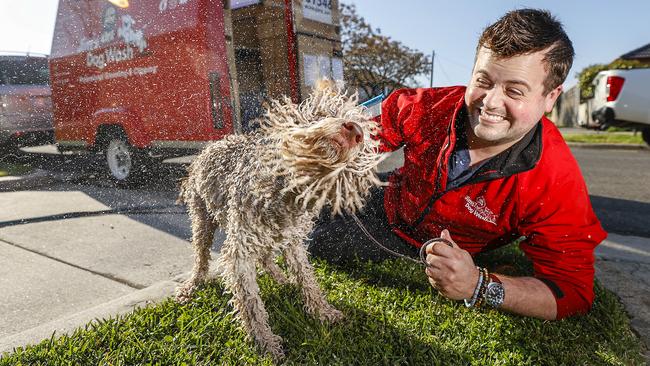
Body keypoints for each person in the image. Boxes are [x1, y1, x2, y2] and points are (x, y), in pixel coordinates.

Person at [307, 8, 607, 320]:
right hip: (386, 194)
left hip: (415, 243)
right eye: (483, 81)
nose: (489, 103)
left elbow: (571, 290)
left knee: (314, 241)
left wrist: (478, 284)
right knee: (300, 204)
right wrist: (336, 139)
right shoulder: (433, 105)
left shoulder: (556, 178)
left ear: (550, 98)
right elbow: (369, 128)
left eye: (514, 91)